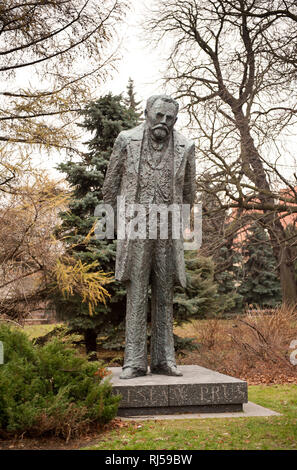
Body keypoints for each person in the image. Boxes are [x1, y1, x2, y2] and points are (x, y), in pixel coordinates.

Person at [102, 95, 196, 379]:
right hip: (136, 226)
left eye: (169, 118)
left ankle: (164, 359)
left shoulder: (186, 146)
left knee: (165, 292)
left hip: (167, 229)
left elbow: (190, 193)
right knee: (137, 290)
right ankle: (133, 361)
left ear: (175, 120)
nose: (163, 122)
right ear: (146, 113)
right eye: (159, 116)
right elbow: (110, 186)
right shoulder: (125, 140)